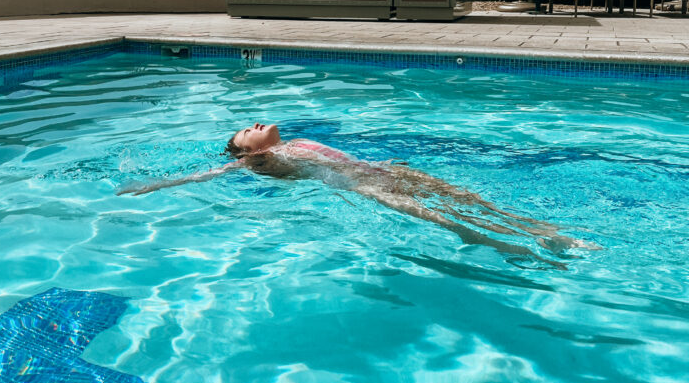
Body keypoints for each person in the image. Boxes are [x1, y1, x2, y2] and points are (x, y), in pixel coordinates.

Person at [119, 122, 591, 261]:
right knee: (444, 219)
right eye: (248, 131)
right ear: (247, 154)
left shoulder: (295, 141)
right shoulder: (263, 160)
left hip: (380, 170)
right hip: (362, 186)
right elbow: (209, 176)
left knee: (467, 198)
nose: (255, 124)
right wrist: (156, 184)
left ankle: (548, 233)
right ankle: (510, 247)